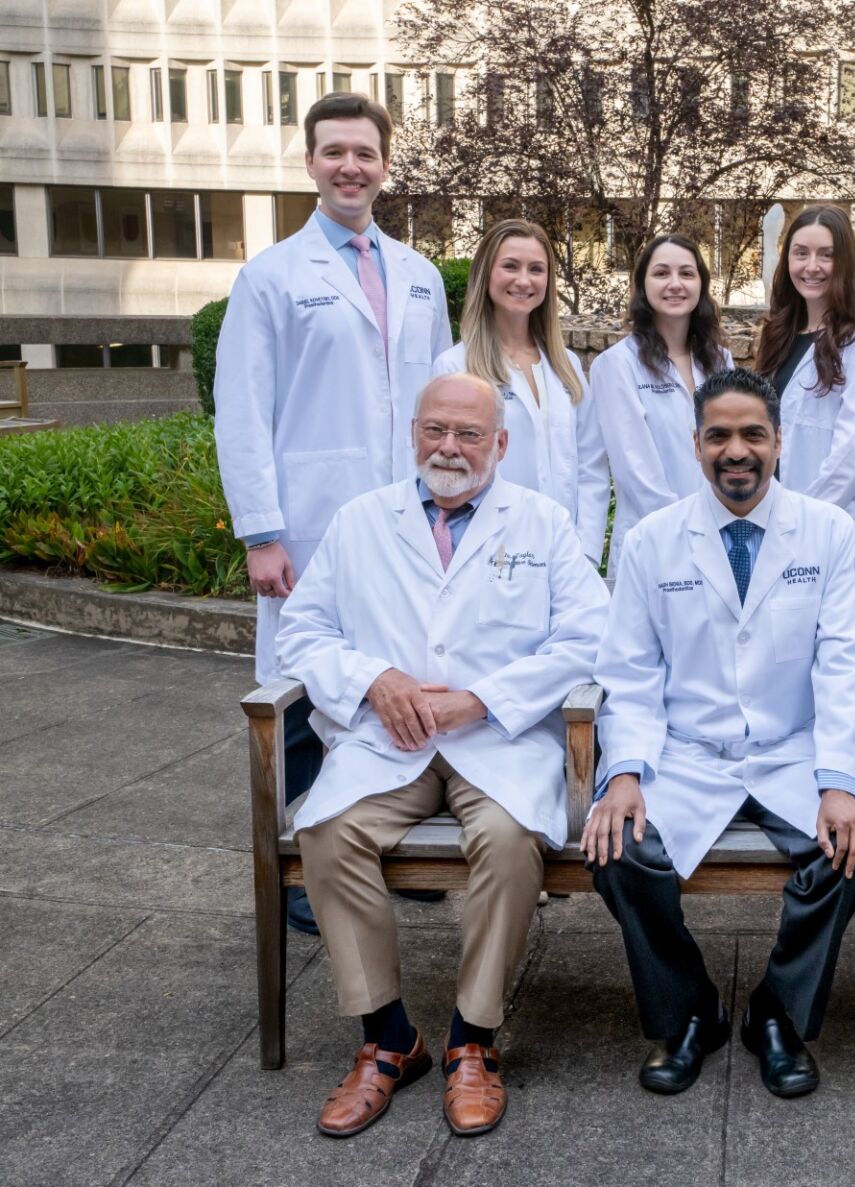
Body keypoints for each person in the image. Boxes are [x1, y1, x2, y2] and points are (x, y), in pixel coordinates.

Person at [276, 372, 609, 1138]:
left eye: (469, 433)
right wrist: (374, 678)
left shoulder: (544, 523)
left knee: (508, 837)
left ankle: (473, 1040)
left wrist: (483, 698)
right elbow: (302, 631)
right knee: (327, 830)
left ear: (502, 444)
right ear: (413, 433)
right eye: (436, 429)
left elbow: (590, 636)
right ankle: (389, 1037)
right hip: (388, 738)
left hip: (499, 738)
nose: (449, 447)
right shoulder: (361, 520)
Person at [584, 367, 855, 1100]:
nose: (736, 450)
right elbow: (630, 671)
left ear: (779, 440)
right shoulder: (653, 540)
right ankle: (691, 1011)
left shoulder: (827, 531)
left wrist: (840, 782)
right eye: (718, 435)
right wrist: (624, 773)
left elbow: (847, 665)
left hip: (794, 750)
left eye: (753, 434)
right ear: (696, 445)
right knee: (617, 847)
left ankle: (777, 1013)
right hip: (687, 754)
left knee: (851, 849)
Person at [214, 91, 452, 932]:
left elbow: (440, 402)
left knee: (399, 677)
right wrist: (261, 532)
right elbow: (243, 411)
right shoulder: (271, 276)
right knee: (304, 689)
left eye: (365, 153)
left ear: (386, 165)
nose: (351, 167)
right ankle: (300, 870)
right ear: (311, 162)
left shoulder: (420, 276)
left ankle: (396, 847)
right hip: (310, 520)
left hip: (405, 520)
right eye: (335, 152)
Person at [432, 220, 608, 566]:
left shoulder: (567, 366)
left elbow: (591, 466)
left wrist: (585, 551)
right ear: (486, 274)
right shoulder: (455, 367)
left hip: (567, 556)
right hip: (490, 556)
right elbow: (448, 474)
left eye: (536, 269)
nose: (524, 280)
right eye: (510, 266)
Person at [588, 234, 732, 571]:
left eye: (687, 273)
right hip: (654, 541)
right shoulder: (616, 365)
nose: (675, 284)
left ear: (701, 284)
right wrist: (688, 534)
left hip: (720, 537)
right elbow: (635, 471)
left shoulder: (720, 361)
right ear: (642, 285)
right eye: (661, 273)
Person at [753, 204, 855, 548]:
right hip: (767, 514)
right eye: (801, 253)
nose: (811, 266)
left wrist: (801, 519)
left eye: (826, 255)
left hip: (822, 524)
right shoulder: (778, 335)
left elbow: (854, 454)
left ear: (844, 263)